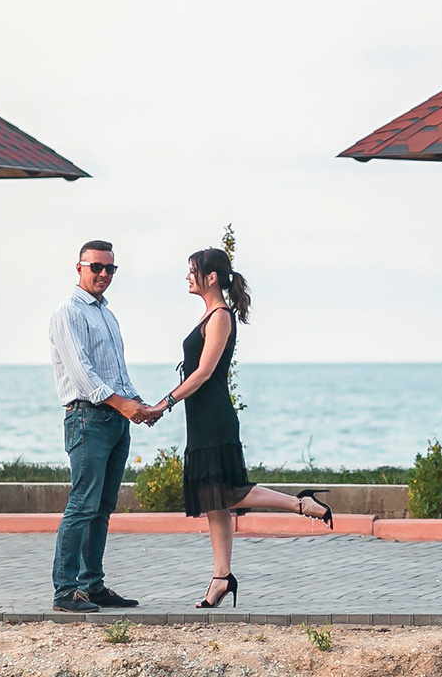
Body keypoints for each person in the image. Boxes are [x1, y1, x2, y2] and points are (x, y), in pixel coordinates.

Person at [138, 247, 328, 608]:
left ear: (211, 277)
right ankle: (221, 578)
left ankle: (299, 503)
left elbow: (204, 372)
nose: (188, 276)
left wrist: (165, 403)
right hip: (201, 418)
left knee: (228, 492)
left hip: (214, 417)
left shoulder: (221, 316)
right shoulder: (209, 315)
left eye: (192, 270)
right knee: (214, 501)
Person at [47, 240, 154, 612]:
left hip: (115, 421)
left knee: (103, 507)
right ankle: (65, 591)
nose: (104, 274)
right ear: (79, 267)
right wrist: (124, 405)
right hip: (87, 418)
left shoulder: (107, 314)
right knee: (82, 504)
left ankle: (92, 586)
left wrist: (139, 405)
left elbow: (117, 374)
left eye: (110, 268)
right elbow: (83, 374)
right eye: (96, 267)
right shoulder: (68, 312)